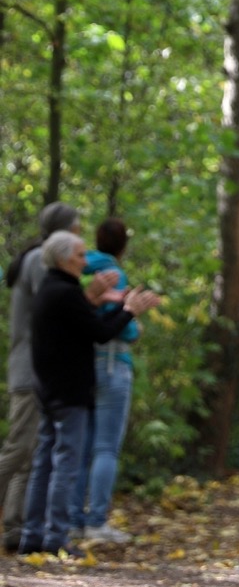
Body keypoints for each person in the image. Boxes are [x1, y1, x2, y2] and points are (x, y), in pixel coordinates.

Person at [19, 231, 158, 555]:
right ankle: (56, 537)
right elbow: (100, 332)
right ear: (64, 258)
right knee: (67, 463)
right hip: (69, 391)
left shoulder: (51, 290)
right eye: (80, 256)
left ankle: (33, 534)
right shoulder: (65, 293)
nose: (86, 262)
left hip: (48, 389)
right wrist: (129, 310)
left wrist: (106, 301)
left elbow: (83, 322)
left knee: (45, 462)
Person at [0, 202, 81, 552]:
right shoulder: (38, 260)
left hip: (36, 367)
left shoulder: (35, 257)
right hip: (30, 367)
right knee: (17, 450)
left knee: (29, 455)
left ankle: (14, 526)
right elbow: (53, 307)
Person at [71, 216, 144, 545]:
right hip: (114, 364)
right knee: (105, 449)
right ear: (123, 245)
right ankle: (96, 521)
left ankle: (73, 519)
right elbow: (119, 325)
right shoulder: (115, 273)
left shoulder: (78, 269)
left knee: (83, 446)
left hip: (85, 364)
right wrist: (135, 325)